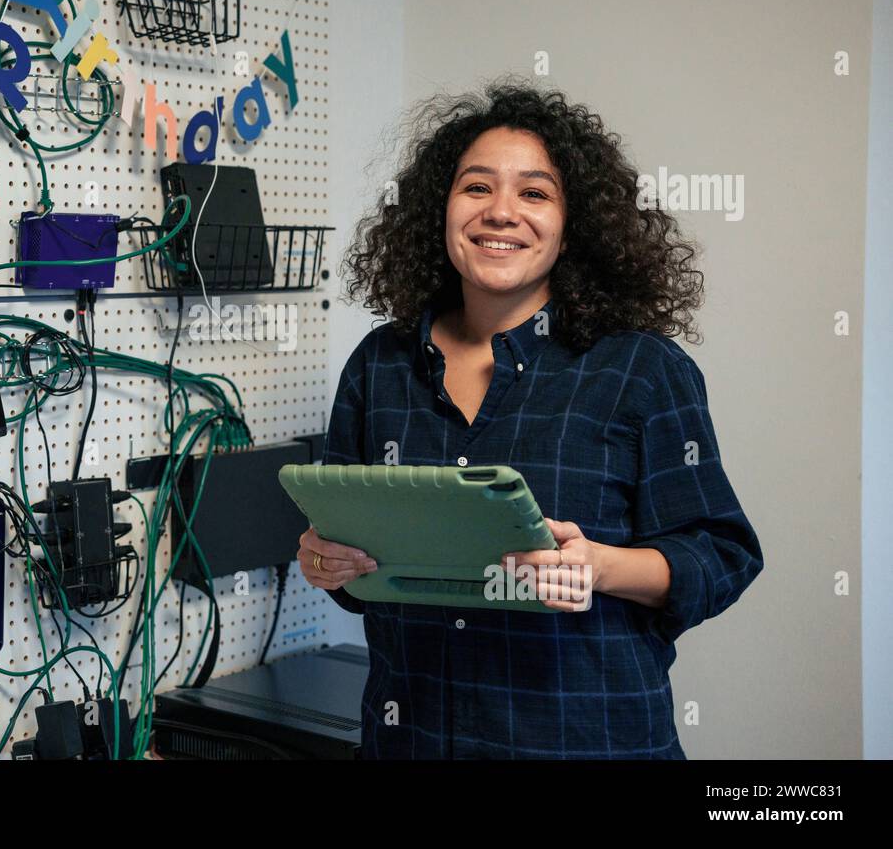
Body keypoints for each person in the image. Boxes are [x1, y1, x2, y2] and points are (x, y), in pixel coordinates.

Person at [298, 79, 763, 759]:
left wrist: (598, 567)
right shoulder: (381, 364)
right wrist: (325, 561)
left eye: (535, 193)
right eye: (477, 187)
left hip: (586, 743)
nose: (501, 213)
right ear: (441, 209)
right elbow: (356, 565)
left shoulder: (639, 370)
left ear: (575, 225)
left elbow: (722, 556)